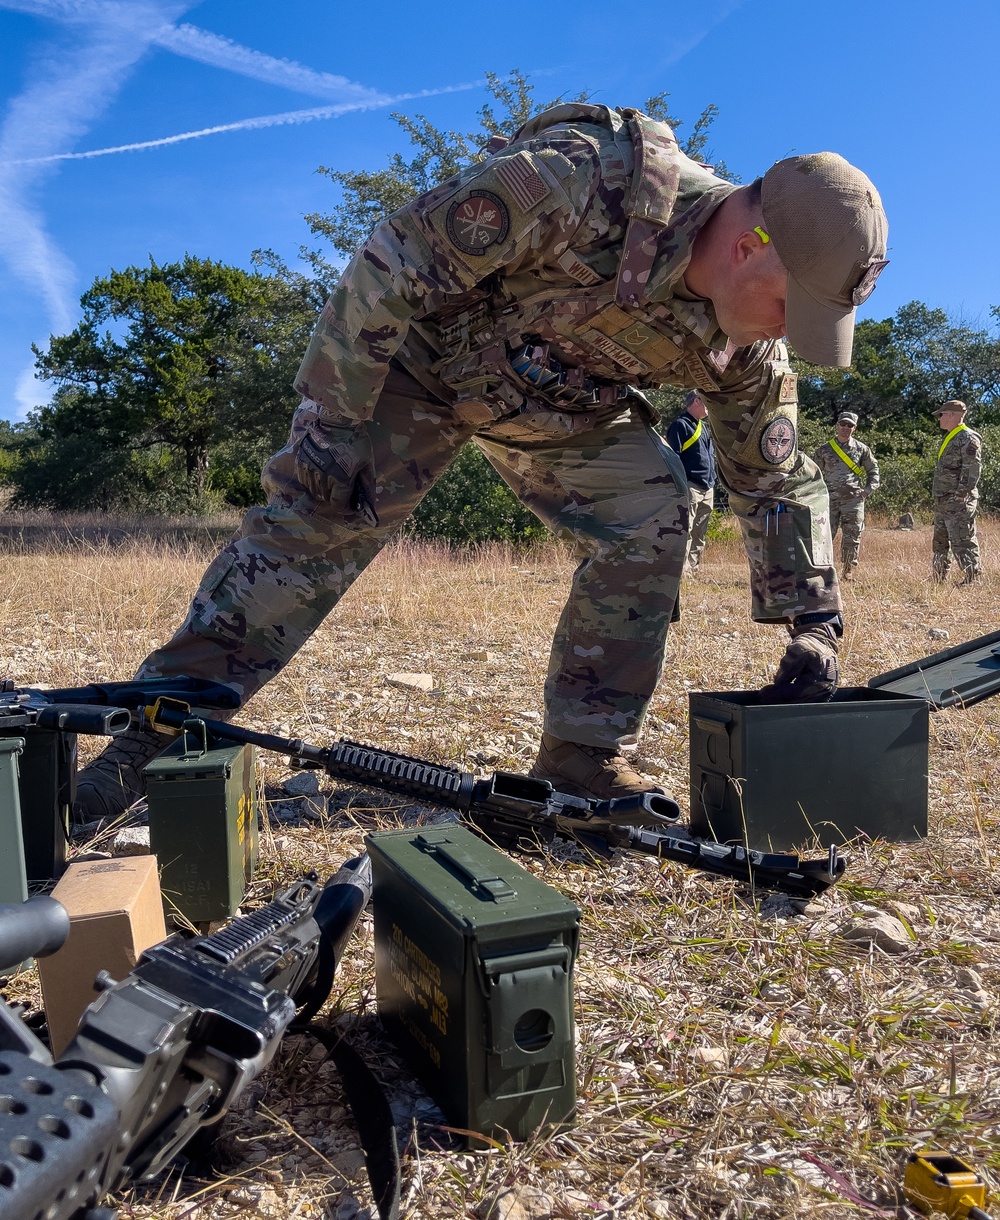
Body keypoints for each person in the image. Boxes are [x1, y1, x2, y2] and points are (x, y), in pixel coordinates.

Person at [74, 103, 889, 818]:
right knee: (316, 519)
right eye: (790, 305)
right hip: (419, 367)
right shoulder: (584, 183)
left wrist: (813, 624)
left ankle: (583, 753)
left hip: (559, 411)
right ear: (750, 246)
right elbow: (391, 264)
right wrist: (333, 425)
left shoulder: (744, 350)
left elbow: (772, 477)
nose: (786, 332)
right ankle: (154, 737)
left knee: (654, 510)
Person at [812, 411, 880, 577]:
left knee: (852, 536)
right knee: (824, 536)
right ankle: (821, 571)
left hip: (853, 501)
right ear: (837, 425)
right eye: (843, 424)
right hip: (828, 500)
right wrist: (813, 496)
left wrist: (867, 490)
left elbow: (873, 470)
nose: (845, 428)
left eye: (849, 425)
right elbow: (813, 473)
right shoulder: (824, 450)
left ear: (854, 428)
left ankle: (848, 572)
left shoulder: (862, 449)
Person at [932, 399, 982, 584]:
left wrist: (961, 495)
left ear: (952, 415)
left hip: (958, 500)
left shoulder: (968, 438)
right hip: (943, 499)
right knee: (940, 542)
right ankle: (938, 578)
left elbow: (971, 469)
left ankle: (972, 578)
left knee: (962, 539)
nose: (939, 419)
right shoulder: (951, 437)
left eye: (941, 415)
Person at [667, 391, 716, 574]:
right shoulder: (680, 426)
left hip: (707, 487)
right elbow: (673, 458)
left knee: (699, 533)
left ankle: (692, 569)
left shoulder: (704, 428)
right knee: (685, 530)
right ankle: (680, 570)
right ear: (696, 401)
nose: (708, 407)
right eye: (706, 402)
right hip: (691, 486)